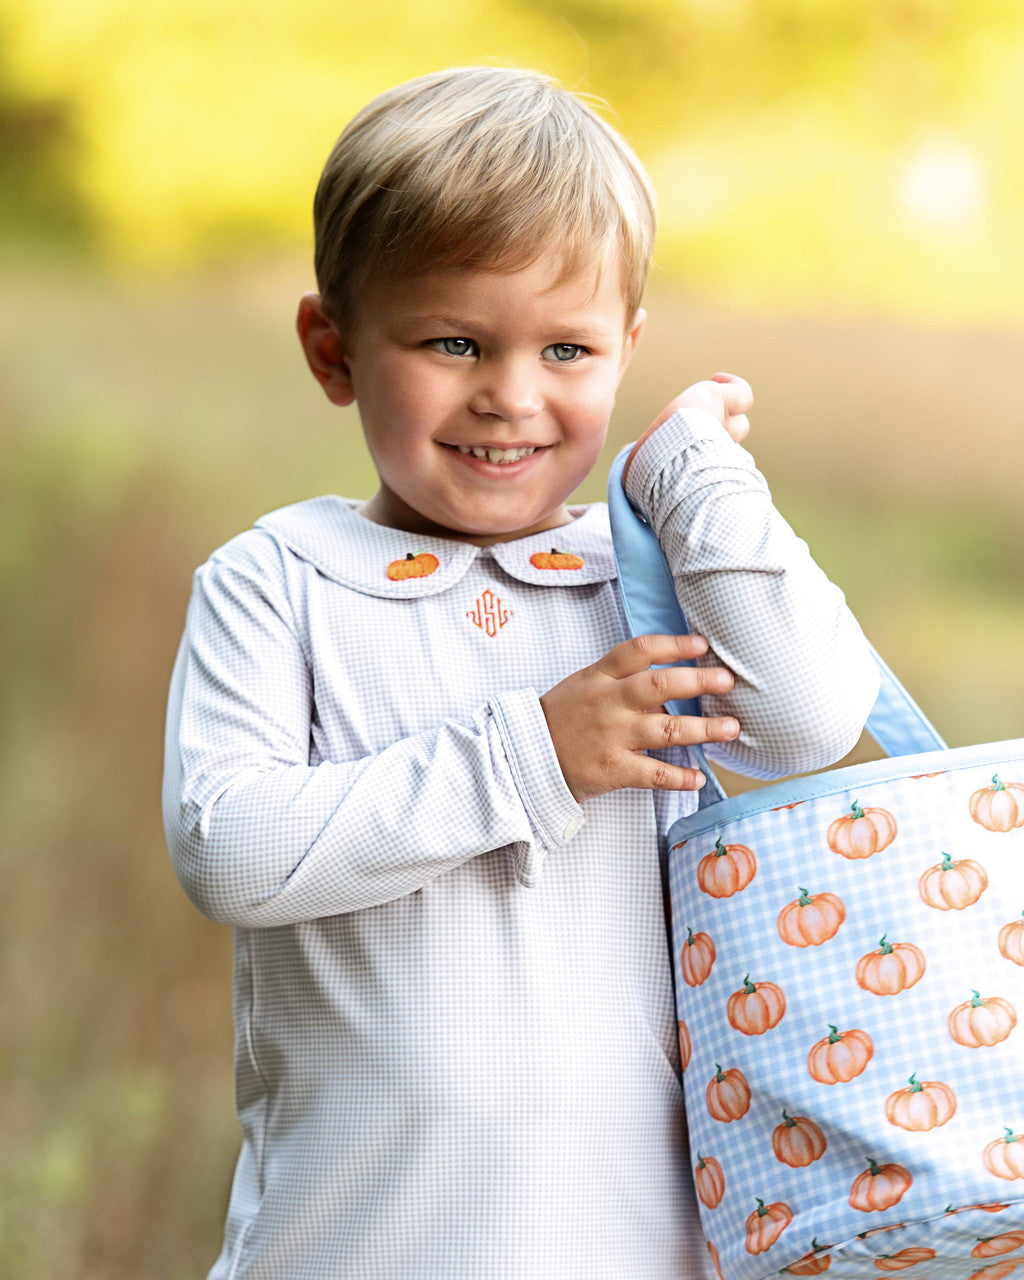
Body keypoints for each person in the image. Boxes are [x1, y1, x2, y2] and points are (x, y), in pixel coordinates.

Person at [163, 65, 879, 1280]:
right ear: (331, 349)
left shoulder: (637, 573)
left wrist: (695, 481)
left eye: (566, 347)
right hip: (353, 1240)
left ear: (625, 349)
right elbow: (231, 844)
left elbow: (810, 721)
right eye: (452, 341)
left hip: (627, 1241)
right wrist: (530, 754)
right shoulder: (280, 578)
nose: (510, 393)